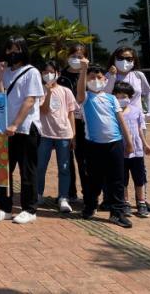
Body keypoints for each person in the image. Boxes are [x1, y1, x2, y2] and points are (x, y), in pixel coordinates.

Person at [0, 36, 43, 225]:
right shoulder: (6, 71)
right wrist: (0, 73)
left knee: (27, 170)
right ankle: (4, 208)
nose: (12, 53)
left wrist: (15, 124)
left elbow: (30, 100)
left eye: (16, 49)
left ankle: (29, 209)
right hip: (6, 129)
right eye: (9, 49)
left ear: (24, 50)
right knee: (4, 170)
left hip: (26, 128)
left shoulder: (31, 72)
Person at [76, 59, 135, 228]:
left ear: (105, 79)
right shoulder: (85, 98)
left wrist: (128, 142)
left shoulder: (111, 98)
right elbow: (79, 93)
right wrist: (83, 70)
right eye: (92, 77)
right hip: (93, 145)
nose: (95, 80)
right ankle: (90, 206)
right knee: (94, 179)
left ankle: (117, 213)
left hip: (115, 144)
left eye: (99, 77)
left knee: (117, 179)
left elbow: (121, 120)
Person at [104, 45, 150, 213]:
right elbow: (105, 94)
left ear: (134, 60)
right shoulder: (109, 75)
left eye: (129, 59)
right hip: (116, 123)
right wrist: (111, 76)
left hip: (137, 123)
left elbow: (147, 93)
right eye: (120, 58)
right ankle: (119, 199)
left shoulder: (138, 75)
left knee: (139, 163)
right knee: (119, 164)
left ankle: (142, 199)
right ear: (114, 59)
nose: (124, 62)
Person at [37, 60, 77, 214]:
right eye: (45, 72)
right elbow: (44, 110)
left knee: (64, 167)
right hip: (45, 134)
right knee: (41, 166)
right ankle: (38, 194)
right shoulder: (39, 91)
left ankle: (63, 197)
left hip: (63, 134)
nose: (48, 75)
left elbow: (71, 113)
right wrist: (47, 92)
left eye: (51, 72)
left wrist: (73, 135)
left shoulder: (66, 91)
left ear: (58, 74)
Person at [113, 81, 150, 218]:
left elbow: (140, 128)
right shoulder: (114, 112)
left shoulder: (136, 110)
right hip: (121, 151)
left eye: (124, 96)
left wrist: (145, 144)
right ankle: (125, 203)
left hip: (137, 151)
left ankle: (141, 203)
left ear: (130, 97)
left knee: (139, 178)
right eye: (118, 96)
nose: (121, 99)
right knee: (123, 179)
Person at [59, 43, 89, 203]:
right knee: (66, 160)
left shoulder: (90, 74)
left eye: (80, 56)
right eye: (73, 56)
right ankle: (70, 193)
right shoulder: (61, 76)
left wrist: (85, 70)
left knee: (84, 159)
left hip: (84, 122)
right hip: (64, 121)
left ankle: (88, 193)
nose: (76, 59)